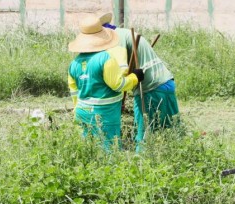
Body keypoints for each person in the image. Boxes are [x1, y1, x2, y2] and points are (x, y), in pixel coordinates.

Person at [100, 13, 180, 147]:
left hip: (149, 89)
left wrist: (118, 98)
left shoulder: (116, 40)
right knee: (171, 129)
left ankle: (140, 162)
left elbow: (121, 72)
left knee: (144, 136)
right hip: (166, 82)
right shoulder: (124, 33)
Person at [68, 14, 143, 149]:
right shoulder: (106, 58)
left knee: (88, 148)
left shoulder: (74, 63)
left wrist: (77, 106)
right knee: (109, 148)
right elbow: (118, 84)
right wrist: (135, 77)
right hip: (104, 113)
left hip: (81, 112)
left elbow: (74, 90)